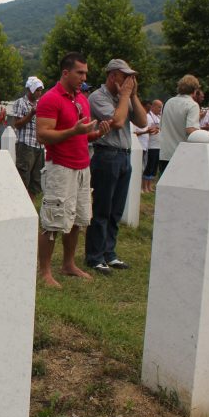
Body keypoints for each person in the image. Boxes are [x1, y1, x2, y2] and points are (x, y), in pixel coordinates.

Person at [35, 52, 109, 288]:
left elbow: (83, 133)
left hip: (82, 166)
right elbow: (43, 135)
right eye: (80, 72)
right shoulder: (50, 99)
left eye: (85, 73)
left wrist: (97, 134)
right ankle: (44, 271)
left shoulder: (81, 99)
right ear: (66, 72)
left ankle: (68, 264)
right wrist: (72, 132)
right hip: (60, 167)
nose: (84, 77)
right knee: (52, 220)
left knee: (77, 218)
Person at [85, 59, 147, 275]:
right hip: (106, 155)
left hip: (123, 156)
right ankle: (95, 256)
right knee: (102, 208)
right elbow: (118, 121)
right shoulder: (98, 97)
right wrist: (125, 97)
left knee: (116, 210)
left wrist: (134, 96)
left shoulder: (125, 97)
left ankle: (109, 253)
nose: (130, 80)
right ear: (112, 76)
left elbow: (142, 122)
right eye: (125, 76)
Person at [158, 75, 201, 174]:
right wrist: (207, 135)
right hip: (182, 153)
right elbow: (190, 130)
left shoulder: (168, 102)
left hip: (165, 152)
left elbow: (161, 126)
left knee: (165, 185)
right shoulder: (192, 105)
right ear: (195, 90)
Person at [13, 76, 45, 201]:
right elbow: (17, 124)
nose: (39, 93)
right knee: (23, 176)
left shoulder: (41, 103)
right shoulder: (20, 103)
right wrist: (31, 114)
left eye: (40, 90)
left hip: (39, 145)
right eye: (37, 90)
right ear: (30, 90)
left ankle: (31, 205)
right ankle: (19, 203)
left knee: (36, 180)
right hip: (26, 145)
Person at [142, 99, 162, 192]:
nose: (160, 109)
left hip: (158, 145)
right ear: (153, 106)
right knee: (148, 166)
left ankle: (149, 186)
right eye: (159, 107)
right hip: (151, 145)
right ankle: (144, 186)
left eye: (161, 107)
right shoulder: (148, 116)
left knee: (154, 168)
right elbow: (147, 129)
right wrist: (155, 129)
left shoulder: (158, 117)